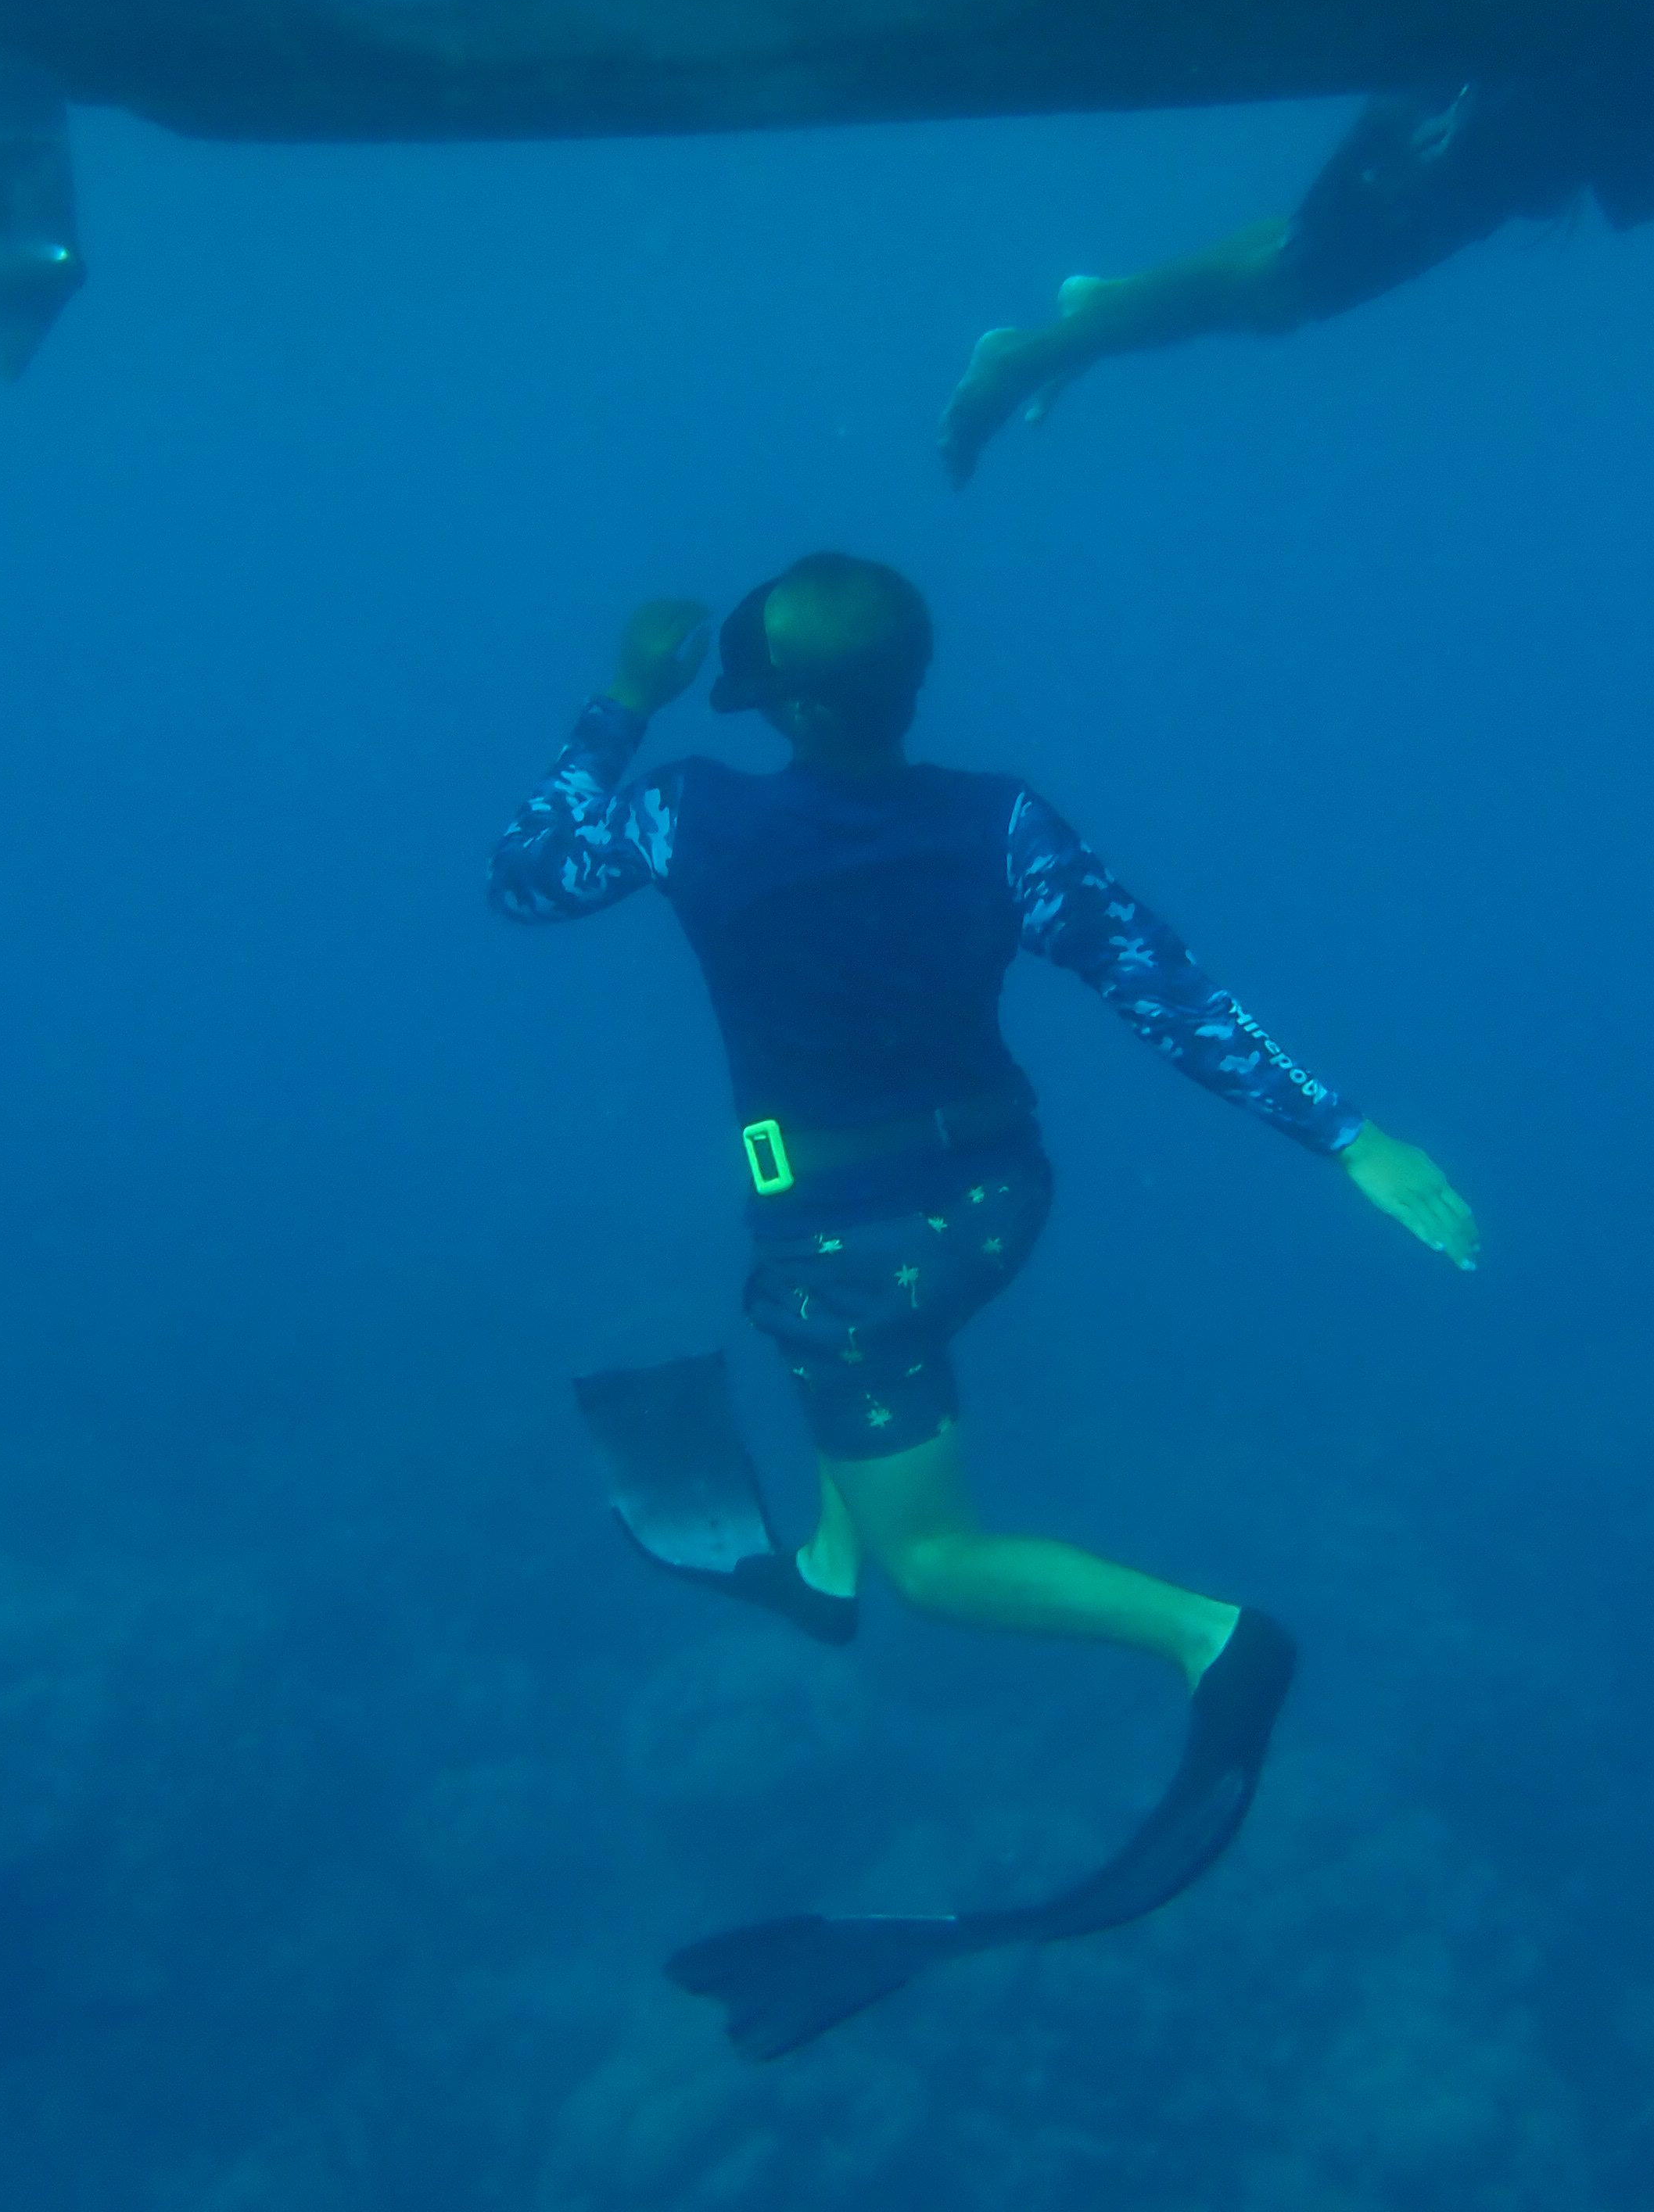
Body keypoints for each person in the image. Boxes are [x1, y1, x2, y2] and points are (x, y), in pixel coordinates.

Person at [488, 554, 1477, 2055]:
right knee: (852, 1341)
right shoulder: (1001, 821)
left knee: (934, 1558)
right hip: (997, 1210)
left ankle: (1211, 1639)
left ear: (791, 703)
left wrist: (623, 696)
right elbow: (1168, 990)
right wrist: (1351, 1134)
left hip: (844, 1251)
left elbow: (525, 877)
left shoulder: (687, 810)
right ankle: (820, 1560)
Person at [938, 66, 1654, 486]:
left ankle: (1099, 317)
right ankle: (1045, 347)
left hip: (1540, 122)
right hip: (1508, 103)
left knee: (1296, 267)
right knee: (1291, 285)